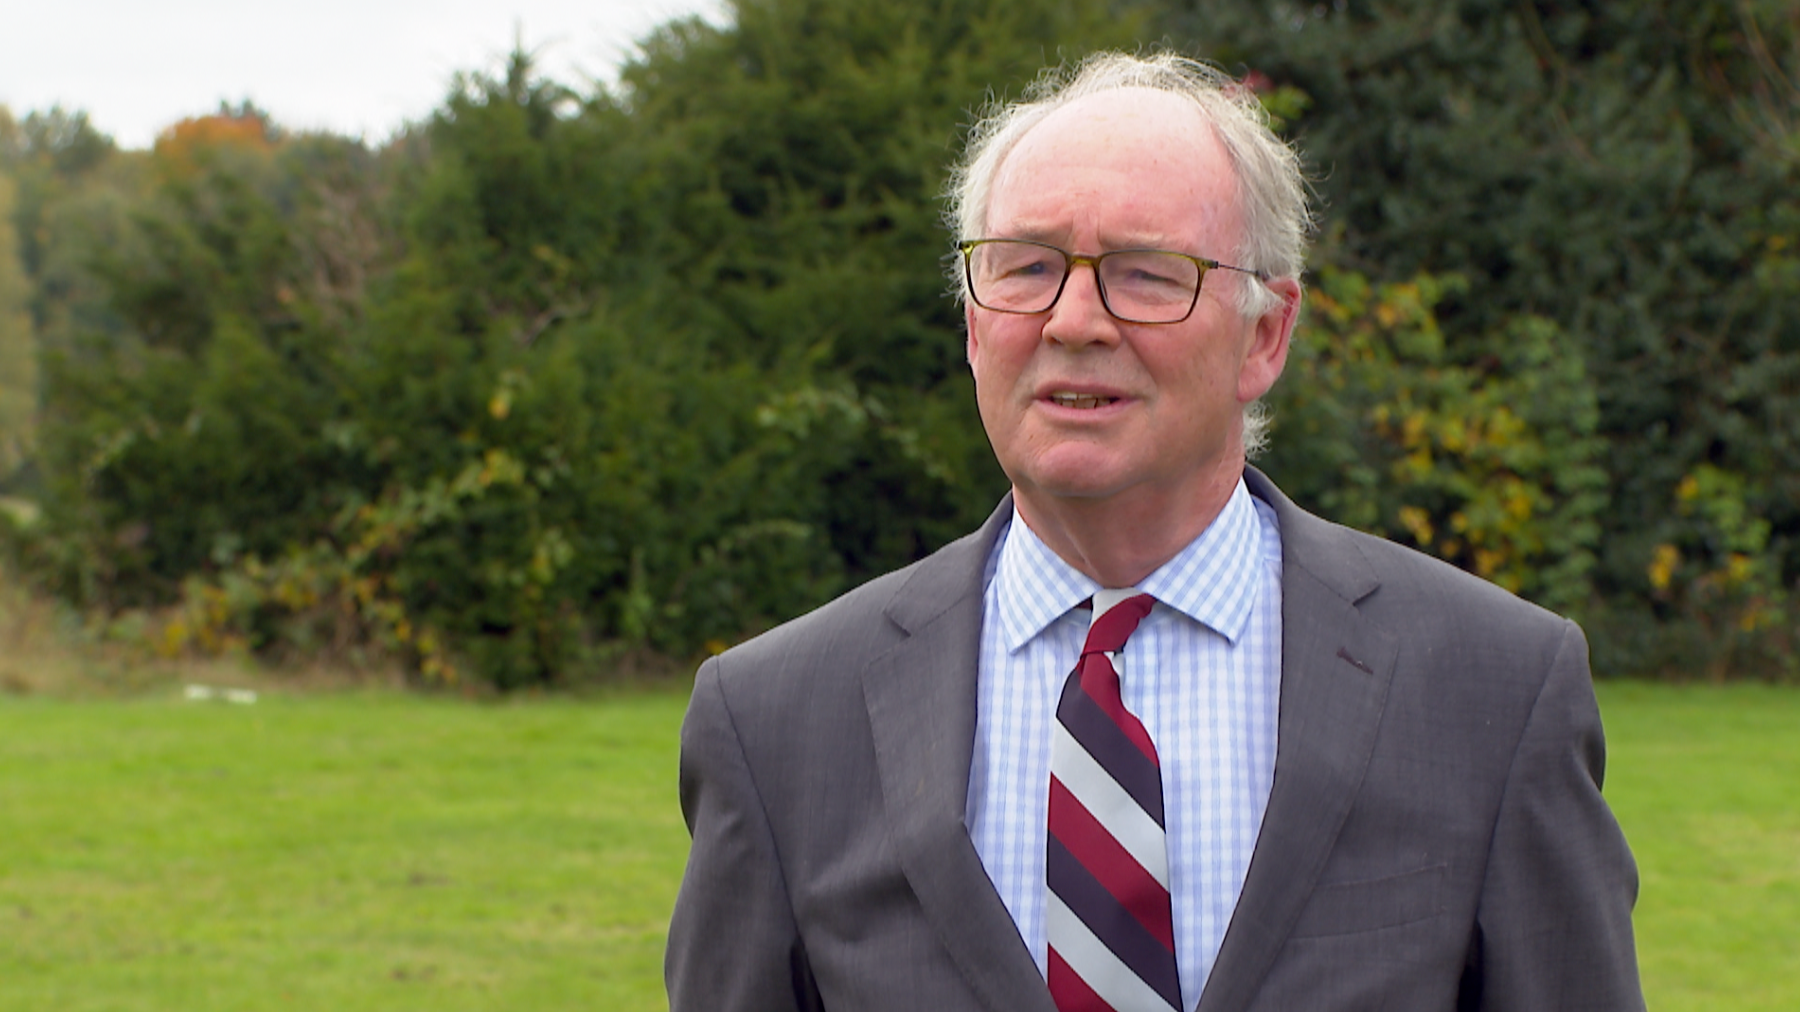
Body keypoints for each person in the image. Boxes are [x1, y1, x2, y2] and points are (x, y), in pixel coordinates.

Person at [665, 51, 1644, 1012]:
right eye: (1027, 267)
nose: (1074, 319)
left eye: (1143, 273)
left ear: (1264, 334)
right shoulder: (776, 722)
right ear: (972, 325)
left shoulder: (1494, 690)